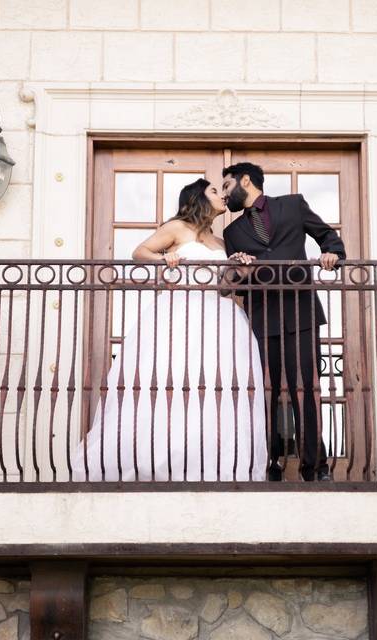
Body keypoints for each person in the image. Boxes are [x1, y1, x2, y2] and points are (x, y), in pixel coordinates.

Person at [72, 178, 267, 482]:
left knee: (216, 387)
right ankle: (156, 459)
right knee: (172, 381)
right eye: (215, 191)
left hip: (219, 318)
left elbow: (225, 288)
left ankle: (210, 461)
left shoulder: (221, 242)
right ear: (198, 197)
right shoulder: (177, 228)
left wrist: (237, 268)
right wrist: (166, 259)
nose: (222, 195)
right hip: (179, 313)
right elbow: (140, 252)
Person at [221, 162, 346, 482]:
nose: (223, 196)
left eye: (225, 186)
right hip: (263, 318)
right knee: (267, 392)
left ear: (244, 180)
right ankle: (271, 462)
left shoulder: (293, 205)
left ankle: (315, 466)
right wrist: (241, 270)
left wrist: (332, 253)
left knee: (307, 389)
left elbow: (326, 235)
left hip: (302, 312)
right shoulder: (231, 232)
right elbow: (239, 285)